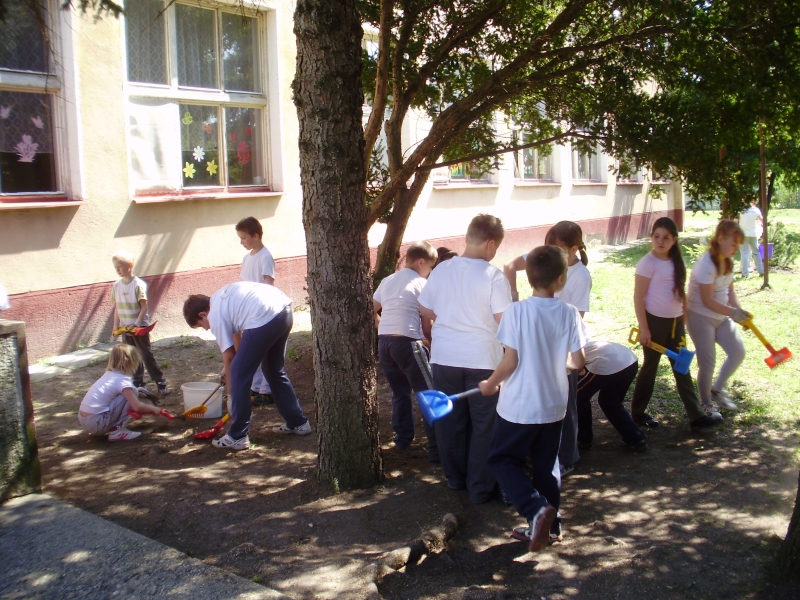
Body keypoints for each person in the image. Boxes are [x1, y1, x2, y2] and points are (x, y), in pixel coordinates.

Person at [481, 245, 585, 552]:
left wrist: (490, 383)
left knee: (502, 459)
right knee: (546, 465)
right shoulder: (569, 312)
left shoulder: (516, 312)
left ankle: (535, 510)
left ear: (529, 278)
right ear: (561, 280)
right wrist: (562, 364)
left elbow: (510, 362)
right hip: (554, 405)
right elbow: (578, 362)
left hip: (519, 407)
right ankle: (550, 528)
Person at [418, 214, 513, 504]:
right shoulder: (493, 276)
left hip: (445, 357)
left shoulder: (442, 269)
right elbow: (505, 321)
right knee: (485, 426)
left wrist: (450, 319)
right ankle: (480, 487)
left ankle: (456, 478)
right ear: (491, 244)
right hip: (483, 359)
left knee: (451, 421)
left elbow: (425, 310)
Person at [503, 221, 592, 477]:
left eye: (559, 249)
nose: (552, 253)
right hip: (538, 343)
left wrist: (566, 355)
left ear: (574, 249)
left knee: (566, 403)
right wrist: (514, 297)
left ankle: (566, 457)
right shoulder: (544, 258)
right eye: (549, 247)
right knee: (538, 398)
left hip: (562, 349)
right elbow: (509, 266)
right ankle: (540, 454)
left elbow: (578, 318)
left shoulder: (580, 276)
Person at [183, 282, 311, 450]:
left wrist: (231, 395)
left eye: (201, 325)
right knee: (272, 370)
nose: (205, 329)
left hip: (264, 316)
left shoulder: (214, 316)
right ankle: (298, 422)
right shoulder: (221, 300)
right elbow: (236, 340)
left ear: (202, 314)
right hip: (283, 310)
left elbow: (230, 358)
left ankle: (237, 436)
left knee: (238, 373)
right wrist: (233, 366)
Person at [631, 217, 722, 431]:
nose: (660, 241)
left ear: (674, 240)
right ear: (651, 237)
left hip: (675, 324)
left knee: (682, 367)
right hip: (654, 323)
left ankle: (697, 417)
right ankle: (637, 413)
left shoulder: (676, 261)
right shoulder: (647, 263)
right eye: (656, 236)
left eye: (666, 238)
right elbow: (638, 297)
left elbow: (681, 293)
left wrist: (683, 321)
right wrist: (644, 328)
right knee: (650, 367)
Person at [373, 241, 438, 460]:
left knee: (399, 393)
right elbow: (427, 319)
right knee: (428, 393)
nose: (429, 272)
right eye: (430, 267)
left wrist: (381, 325)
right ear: (421, 262)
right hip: (409, 343)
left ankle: (403, 440)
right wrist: (431, 342)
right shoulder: (422, 284)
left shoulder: (388, 280)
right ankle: (437, 448)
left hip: (385, 344)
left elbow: (371, 307)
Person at [686, 220, 750, 413]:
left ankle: (717, 388)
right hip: (699, 316)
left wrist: (739, 312)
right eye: (734, 244)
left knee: (738, 352)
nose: (736, 250)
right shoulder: (706, 264)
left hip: (721, 317)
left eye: (738, 246)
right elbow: (707, 300)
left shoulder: (728, 261)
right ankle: (706, 404)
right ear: (721, 239)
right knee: (708, 363)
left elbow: (729, 291)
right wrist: (732, 312)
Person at [111, 251, 170, 396]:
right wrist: (115, 326)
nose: (117, 270)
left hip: (139, 328)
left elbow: (144, 307)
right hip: (125, 328)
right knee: (132, 355)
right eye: (115, 267)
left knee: (145, 354)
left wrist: (137, 323)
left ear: (129, 265)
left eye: (120, 267)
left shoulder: (138, 285)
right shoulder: (116, 286)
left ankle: (160, 382)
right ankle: (138, 383)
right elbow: (117, 307)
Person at [78, 345, 166, 441]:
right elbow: (137, 407)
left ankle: (111, 428)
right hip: (97, 423)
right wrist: (154, 409)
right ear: (131, 362)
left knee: (132, 391)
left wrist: (143, 393)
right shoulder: (123, 381)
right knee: (132, 392)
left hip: (84, 420)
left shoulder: (109, 375)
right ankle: (117, 432)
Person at [575, 337, 647, 450]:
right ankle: (635, 438)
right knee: (610, 402)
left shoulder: (562, 350)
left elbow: (578, 367)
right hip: (630, 360)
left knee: (578, 397)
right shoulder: (578, 340)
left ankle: (583, 439)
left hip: (608, 362)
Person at [236, 216, 277, 406]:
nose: (242, 242)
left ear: (256, 236)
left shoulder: (265, 257)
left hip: (263, 311)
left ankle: (267, 390)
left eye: (244, 238)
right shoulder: (247, 258)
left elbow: (268, 285)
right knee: (254, 351)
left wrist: (262, 309)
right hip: (249, 311)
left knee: (265, 351)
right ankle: (256, 386)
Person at [738, 199, 764, 278]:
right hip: (753, 234)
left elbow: (735, 221)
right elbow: (762, 220)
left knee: (744, 253)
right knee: (756, 253)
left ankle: (745, 273)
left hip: (743, 234)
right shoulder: (755, 210)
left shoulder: (741, 210)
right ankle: (761, 271)